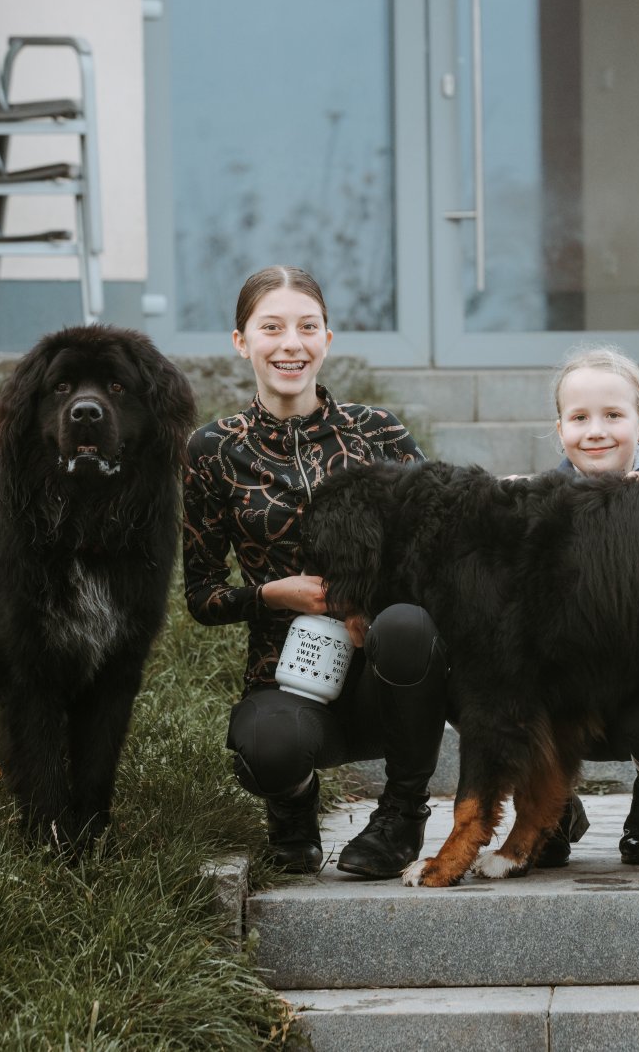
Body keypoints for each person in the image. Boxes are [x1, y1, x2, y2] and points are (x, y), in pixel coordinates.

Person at [183, 265, 448, 878]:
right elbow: (200, 594)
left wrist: (370, 606)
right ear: (241, 340)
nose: (291, 344)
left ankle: (402, 816)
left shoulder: (379, 433)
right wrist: (269, 595)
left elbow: (442, 549)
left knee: (408, 624)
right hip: (288, 673)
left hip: (391, 671)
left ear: (328, 337)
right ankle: (294, 807)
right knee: (267, 751)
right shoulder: (212, 451)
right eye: (270, 327)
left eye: (307, 326)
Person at [532, 346, 639, 868]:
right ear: (559, 427)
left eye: (614, 415)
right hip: (569, 687)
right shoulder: (544, 504)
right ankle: (552, 808)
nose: (596, 431)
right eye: (579, 417)